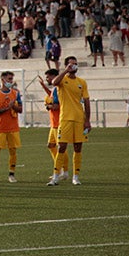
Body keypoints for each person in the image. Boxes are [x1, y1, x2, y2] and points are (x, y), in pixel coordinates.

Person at [48, 56, 91, 186]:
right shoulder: (62, 80)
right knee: (61, 147)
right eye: (71, 64)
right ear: (67, 66)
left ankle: (76, 176)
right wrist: (65, 71)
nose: (74, 67)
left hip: (79, 118)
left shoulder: (81, 82)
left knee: (78, 147)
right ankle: (56, 176)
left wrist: (87, 120)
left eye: (76, 64)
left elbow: (87, 102)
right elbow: (54, 82)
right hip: (65, 118)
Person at [0, 71, 22, 183]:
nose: (10, 81)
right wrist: (8, 107)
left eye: (11, 79)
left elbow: (20, 110)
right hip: (0, 128)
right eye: (9, 79)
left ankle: (11, 174)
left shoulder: (16, 93)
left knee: (13, 151)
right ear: (2, 80)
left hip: (13, 128)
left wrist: (14, 107)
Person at [37, 68, 64, 182]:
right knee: (51, 146)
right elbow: (52, 96)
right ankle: (61, 169)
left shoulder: (58, 89)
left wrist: (48, 106)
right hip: (54, 124)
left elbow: (57, 106)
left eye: (48, 77)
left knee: (61, 147)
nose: (47, 79)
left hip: (59, 123)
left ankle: (63, 171)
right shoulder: (54, 90)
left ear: (54, 76)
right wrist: (43, 86)